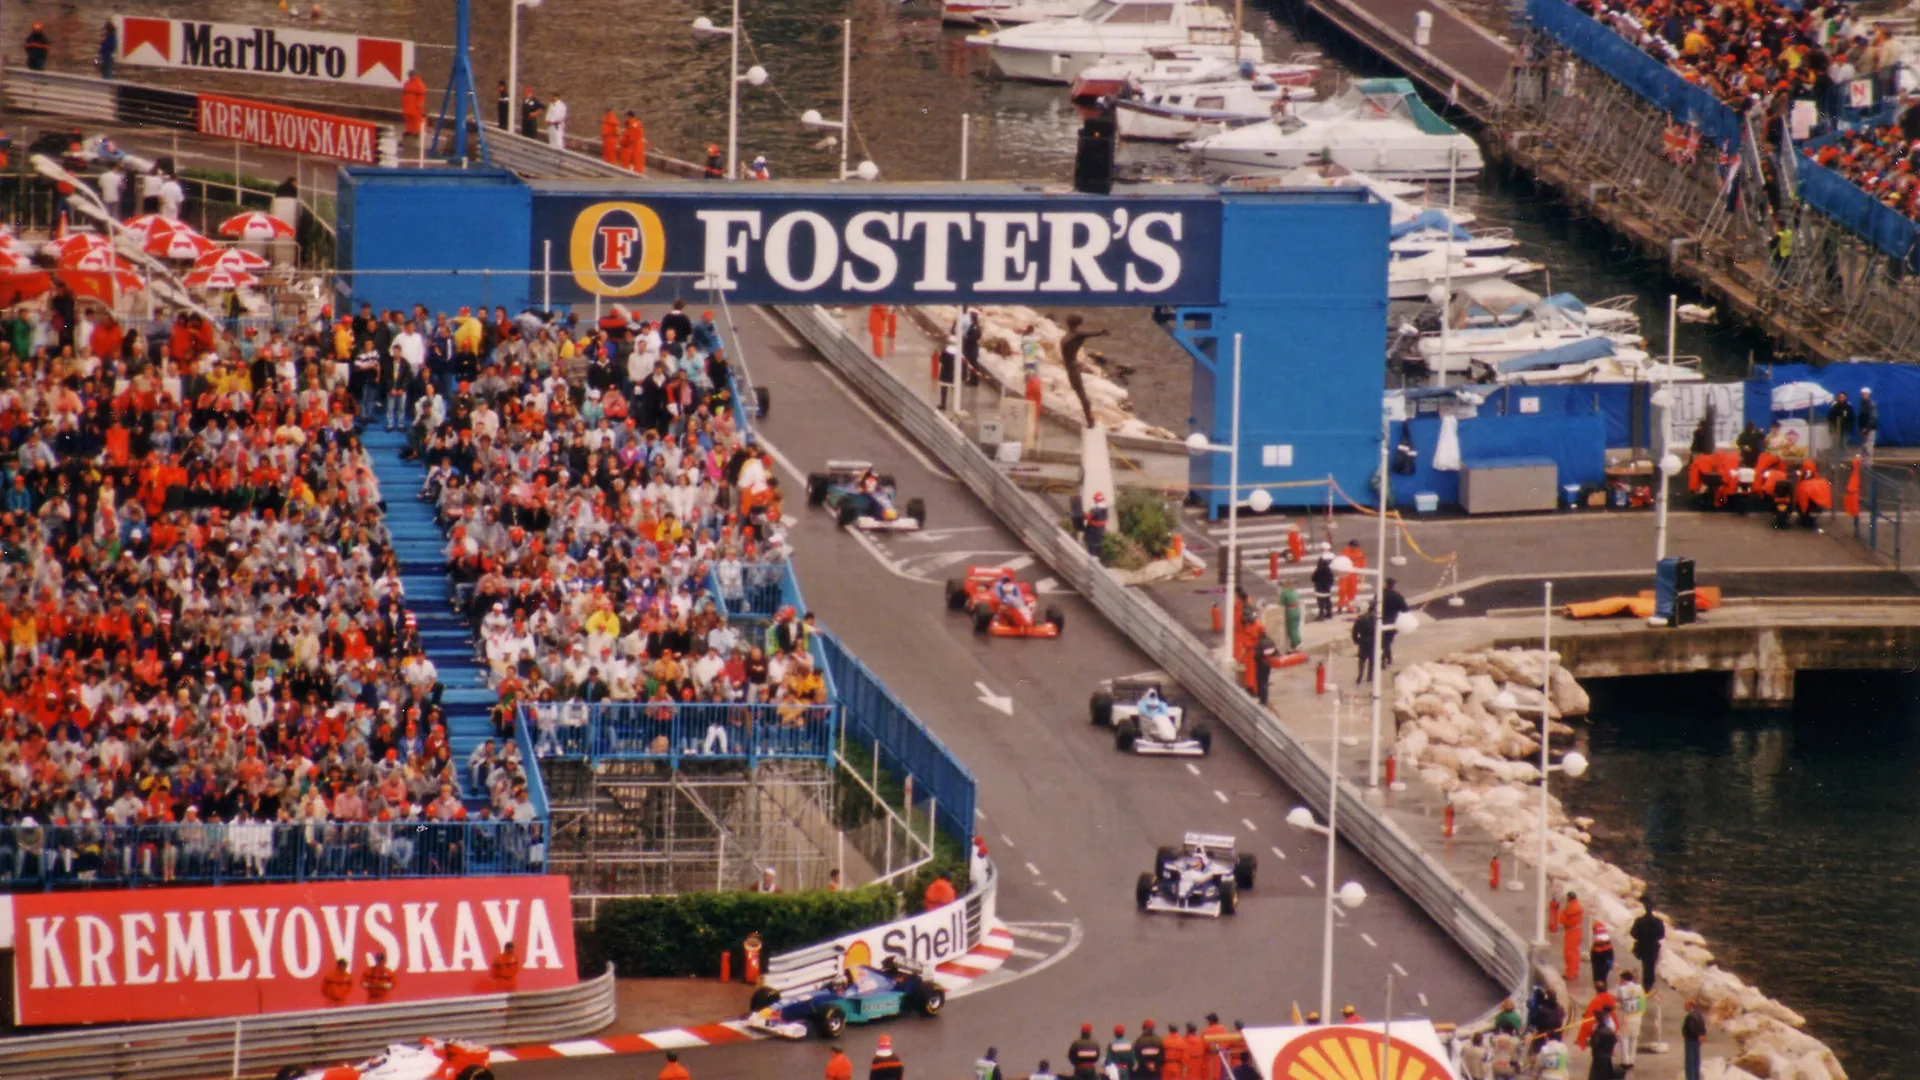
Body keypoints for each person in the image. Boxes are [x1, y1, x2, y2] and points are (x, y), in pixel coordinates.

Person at [1059, 314, 1110, 428]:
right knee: (1078, 391)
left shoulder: (1075, 335)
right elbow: (1088, 333)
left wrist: (1101, 332)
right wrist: (1101, 332)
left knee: (1081, 393)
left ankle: (1089, 421)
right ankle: (1089, 417)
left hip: (1072, 367)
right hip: (1072, 366)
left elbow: (1089, 333)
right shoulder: (1072, 336)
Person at [1629, 902, 1664, 992]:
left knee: (1645, 965)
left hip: (1642, 945)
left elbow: (1632, 933)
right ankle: (1650, 982)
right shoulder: (1658, 922)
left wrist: (1640, 938)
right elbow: (1661, 935)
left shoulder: (1639, 921)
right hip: (1653, 946)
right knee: (1651, 965)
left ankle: (1646, 984)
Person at [1615, 969, 1646, 1066]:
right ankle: (1632, 1059)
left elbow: (1618, 1000)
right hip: (1637, 1017)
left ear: (1623, 979)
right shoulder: (1639, 988)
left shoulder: (1622, 989)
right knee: (1634, 1039)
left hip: (1626, 1017)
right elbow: (1642, 1001)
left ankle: (1625, 1060)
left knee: (1624, 1039)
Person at [1379, 578, 1409, 665]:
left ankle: (1384, 658)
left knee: (1382, 641)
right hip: (1392, 622)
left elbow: (1372, 607)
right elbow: (1405, 609)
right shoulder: (1397, 596)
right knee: (1387, 641)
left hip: (1380, 620)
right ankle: (1387, 657)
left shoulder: (1380, 595)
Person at [1558, 891, 1586, 983]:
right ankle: (1574, 971)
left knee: (1570, 953)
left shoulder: (1571, 907)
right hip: (1576, 931)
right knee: (1575, 952)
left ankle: (1570, 973)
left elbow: (1562, 919)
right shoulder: (1577, 905)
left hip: (1572, 931)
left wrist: (1562, 910)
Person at [1587, 1006, 1618, 1080]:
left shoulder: (1598, 1032)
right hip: (1607, 1057)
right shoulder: (1609, 1030)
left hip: (1598, 1058)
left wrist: (1589, 1041)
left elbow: (1593, 1043)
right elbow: (1614, 1040)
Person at [401, 70, 428, 154]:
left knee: (416, 119)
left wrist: (419, 104)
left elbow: (421, 95)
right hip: (408, 105)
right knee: (409, 119)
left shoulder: (418, 83)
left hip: (414, 105)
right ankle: (410, 131)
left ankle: (417, 132)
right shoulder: (408, 83)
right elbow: (404, 93)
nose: (409, 76)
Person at [1681, 1000, 1707, 1080]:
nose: (1684, 1007)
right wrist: (1702, 1035)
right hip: (1697, 1041)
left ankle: (1690, 1078)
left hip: (1691, 1040)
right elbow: (1703, 1026)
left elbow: (1691, 1029)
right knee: (1696, 1060)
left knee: (1690, 1061)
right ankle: (1696, 1077)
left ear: (1690, 1005)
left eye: (1686, 1005)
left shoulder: (1690, 1016)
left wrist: (1697, 1035)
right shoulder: (1699, 1015)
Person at [1337, 539, 1365, 613]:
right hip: (1345, 574)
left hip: (1353, 574)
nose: (1354, 548)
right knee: (1342, 590)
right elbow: (1340, 562)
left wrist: (1362, 581)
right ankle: (1340, 606)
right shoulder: (1344, 552)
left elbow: (1362, 566)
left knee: (1352, 592)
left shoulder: (1359, 554)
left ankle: (1350, 607)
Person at [1351, 606, 1376, 685]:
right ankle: (1369, 677)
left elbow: (1354, 631)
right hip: (1372, 641)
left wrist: (1356, 640)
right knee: (1372, 660)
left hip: (1363, 641)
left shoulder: (1360, 619)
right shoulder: (1376, 620)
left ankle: (1360, 675)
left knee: (1362, 659)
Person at [1082, 490, 1111, 559]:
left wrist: (1083, 515)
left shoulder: (1098, 508)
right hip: (1098, 531)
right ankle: (1095, 559)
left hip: (1094, 532)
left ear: (1095, 500)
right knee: (1097, 546)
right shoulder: (1103, 508)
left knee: (1093, 548)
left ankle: (1093, 561)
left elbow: (1088, 516)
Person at [1311, 544, 1335, 620]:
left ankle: (1321, 614)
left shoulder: (1322, 559)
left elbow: (1319, 570)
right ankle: (1329, 612)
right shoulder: (1333, 556)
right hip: (1329, 580)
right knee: (1327, 596)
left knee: (1321, 598)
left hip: (1321, 581)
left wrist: (1313, 577)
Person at [1589, 921, 1614, 988]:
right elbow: (1611, 955)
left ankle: (1601, 993)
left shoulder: (1599, 940)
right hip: (1605, 963)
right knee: (1603, 978)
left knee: (1599, 979)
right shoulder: (1606, 939)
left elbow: (1596, 953)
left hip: (1599, 964)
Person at [1279, 584, 1303, 651]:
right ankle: (1297, 643)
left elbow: (1281, 604)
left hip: (1290, 612)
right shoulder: (1295, 592)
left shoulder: (1284, 593)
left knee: (1291, 629)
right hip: (1297, 611)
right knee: (1296, 628)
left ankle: (1296, 644)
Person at [1858, 387, 1878, 458]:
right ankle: (1864, 465)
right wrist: (1861, 428)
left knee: (1868, 449)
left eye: (1866, 394)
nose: (1864, 395)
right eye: (1863, 394)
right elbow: (1861, 418)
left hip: (1869, 430)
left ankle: (1867, 467)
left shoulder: (1871, 405)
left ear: (1869, 394)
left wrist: (1867, 428)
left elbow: (1873, 418)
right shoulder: (1862, 404)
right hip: (1863, 430)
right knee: (1864, 448)